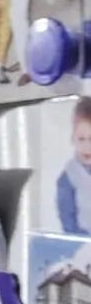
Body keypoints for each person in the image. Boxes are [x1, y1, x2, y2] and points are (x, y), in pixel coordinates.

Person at [59, 100, 91, 236]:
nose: (87, 147)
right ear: (73, 138)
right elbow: (69, 223)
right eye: (81, 139)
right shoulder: (68, 177)